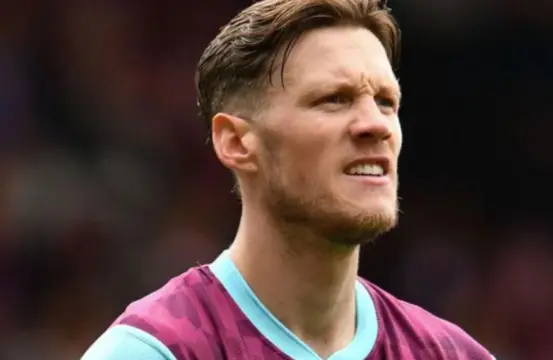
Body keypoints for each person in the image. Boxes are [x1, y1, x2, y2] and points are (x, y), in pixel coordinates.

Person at [82, 0, 496, 359]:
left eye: (386, 102)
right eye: (334, 99)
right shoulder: (158, 351)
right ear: (237, 142)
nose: (376, 124)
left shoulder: (450, 354)